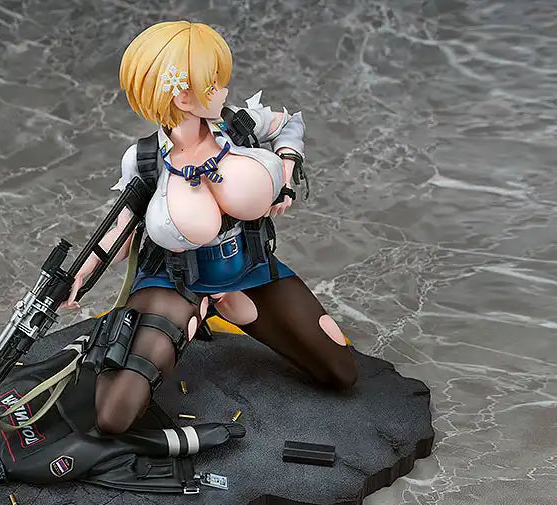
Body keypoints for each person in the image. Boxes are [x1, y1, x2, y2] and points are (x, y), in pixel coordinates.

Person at [62, 21, 357, 434]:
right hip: (175, 279)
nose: (223, 90)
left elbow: (289, 123)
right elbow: (120, 231)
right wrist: (79, 276)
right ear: (183, 96)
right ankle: (194, 313)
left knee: (340, 369)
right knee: (115, 413)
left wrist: (287, 172)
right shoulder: (145, 159)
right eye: (213, 83)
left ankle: (224, 304)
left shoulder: (238, 127)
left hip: (248, 267)